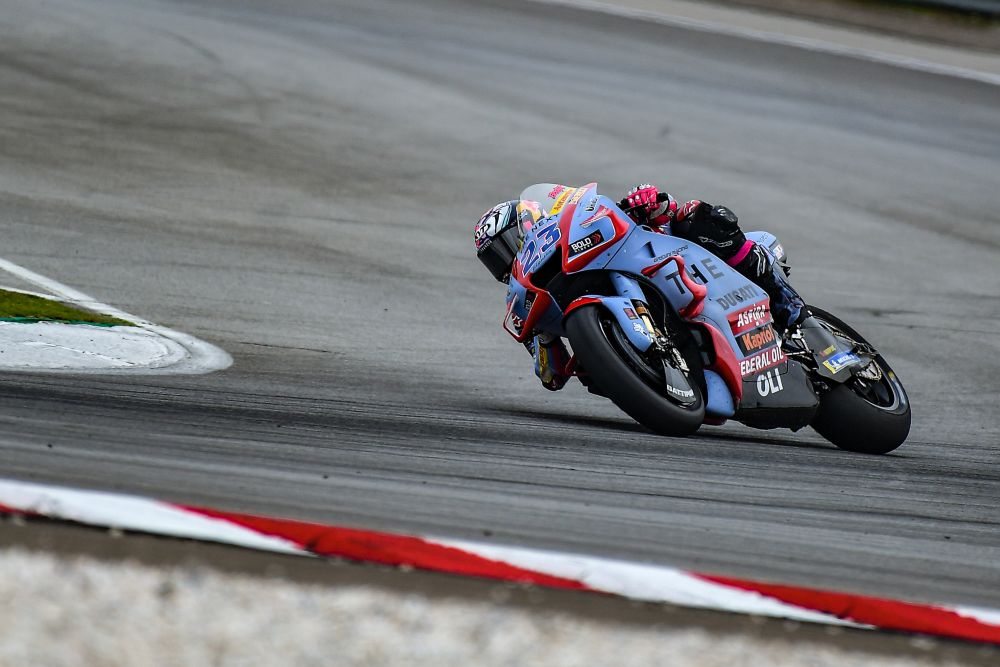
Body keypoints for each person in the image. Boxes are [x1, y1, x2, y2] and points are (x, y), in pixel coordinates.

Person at [474, 184, 806, 392]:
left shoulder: (572, 228)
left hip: (671, 260)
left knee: (692, 214)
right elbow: (551, 377)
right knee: (590, 374)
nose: (506, 259)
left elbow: (656, 205)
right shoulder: (527, 304)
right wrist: (543, 335)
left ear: (528, 221)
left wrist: (647, 201)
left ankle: (789, 307)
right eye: (495, 259)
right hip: (650, 374)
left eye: (507, 243)